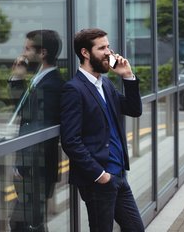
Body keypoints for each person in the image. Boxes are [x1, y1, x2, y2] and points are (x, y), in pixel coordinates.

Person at [60, 28, 144, 232]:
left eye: (108, 46)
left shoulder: (105, 84)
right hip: (99, 179)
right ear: (85, 53)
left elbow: (134, 110)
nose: (109, 52)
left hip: (118, 175)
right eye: (102, 48)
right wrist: (100, 175)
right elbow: (70, 140)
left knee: (135, 229)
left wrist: (128, 76)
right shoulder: (74, 89)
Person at [9, 29, 64, 232]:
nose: (23, 53)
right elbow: (23, 109)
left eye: (27, 48)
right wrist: (17, 77)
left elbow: (39, 130)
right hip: (33, 166)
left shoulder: (52, 85)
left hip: (36, 168)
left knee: (24, 223)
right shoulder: (41, 77)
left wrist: (23, 166)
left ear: (42, 53)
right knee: (30, 222)